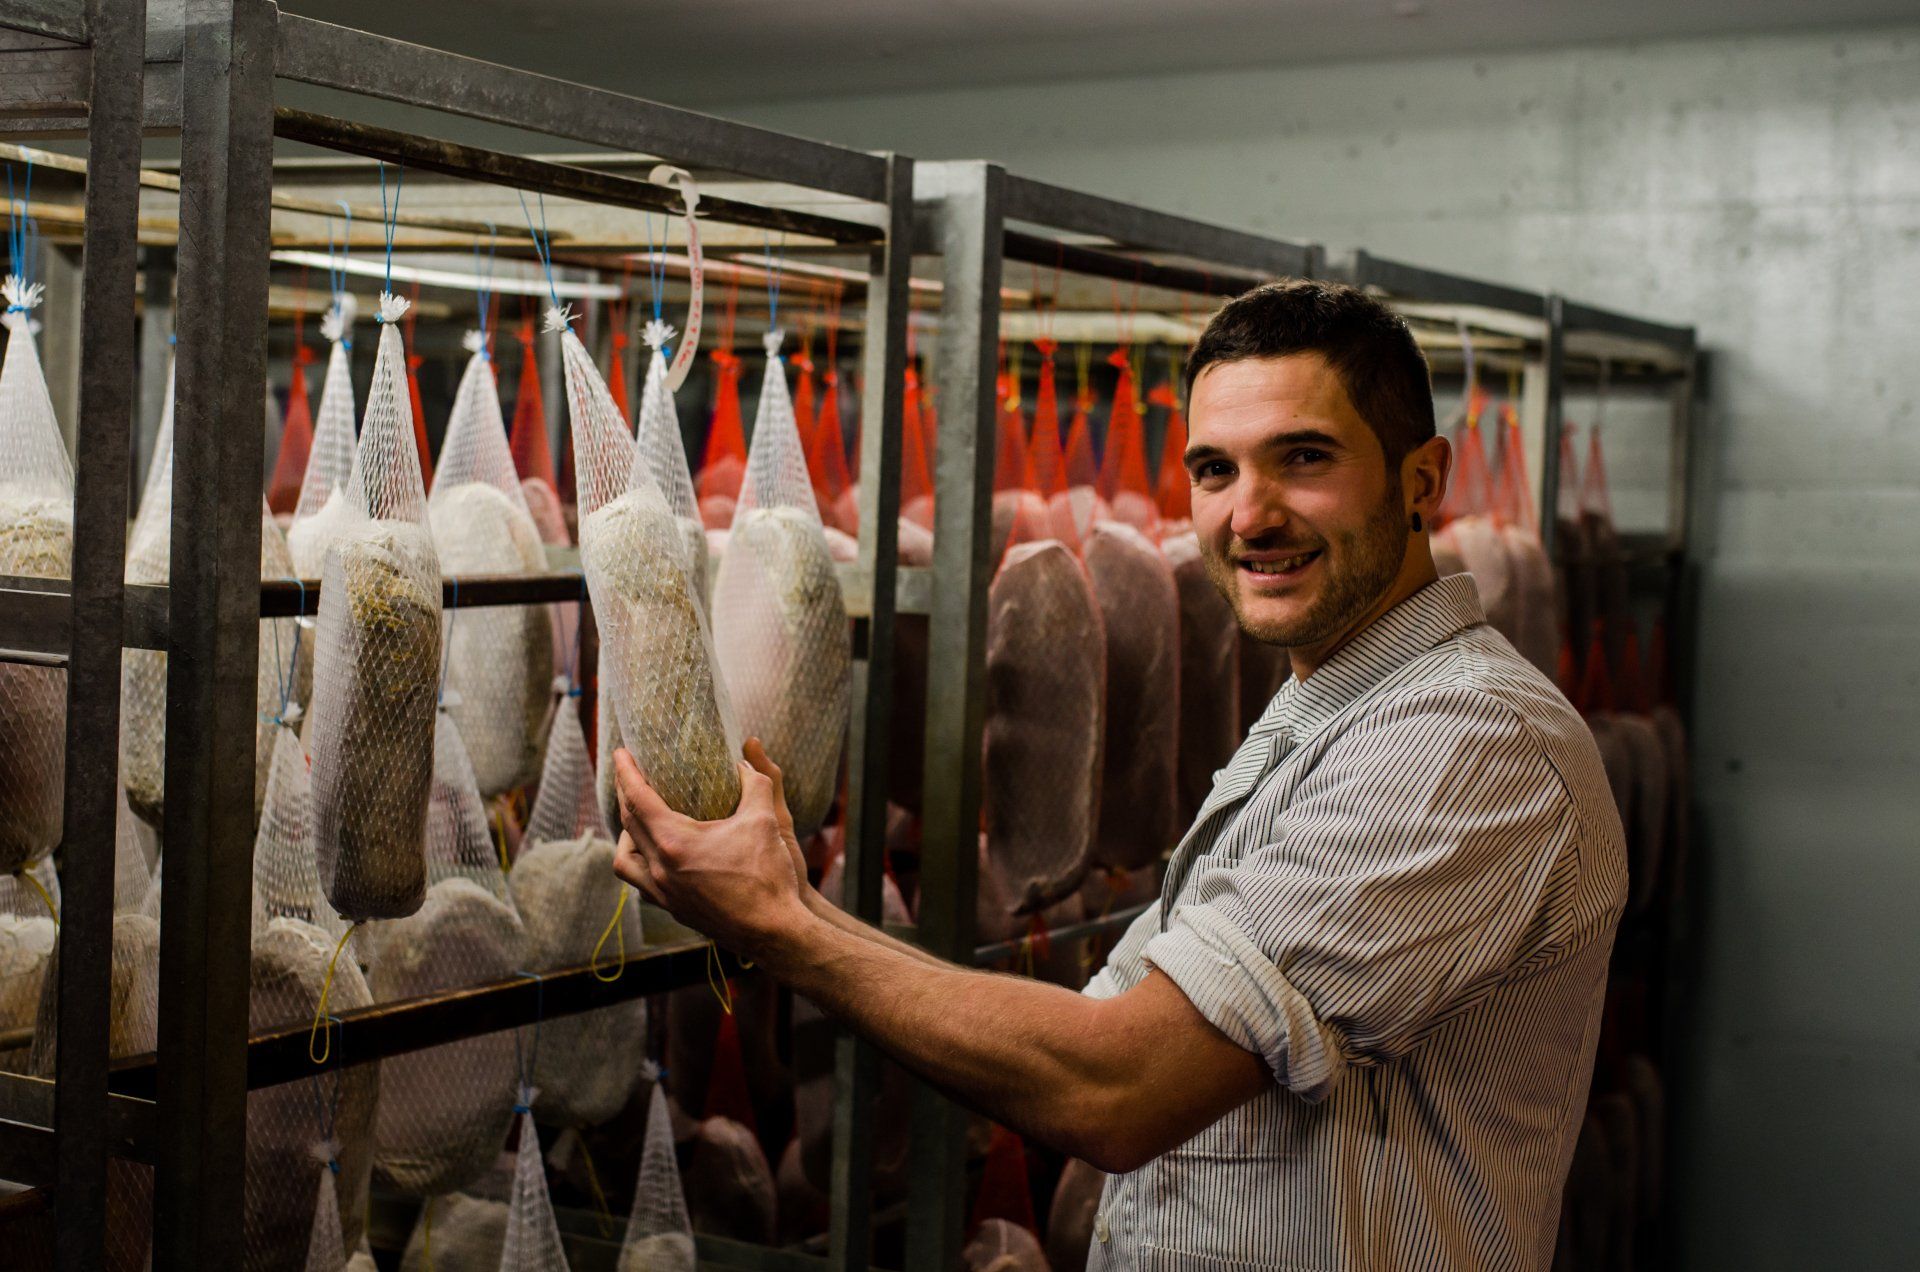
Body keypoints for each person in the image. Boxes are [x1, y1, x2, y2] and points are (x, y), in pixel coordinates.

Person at [610, 280, 1627, 1271]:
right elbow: (1104, 1024)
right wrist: (780, 898)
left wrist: (779, 926)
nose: (1250, 515)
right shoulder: (1332, 717)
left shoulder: (1461, 744)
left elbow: (1117, 1085)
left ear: (1421, 479)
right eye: (1216, 470)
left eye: (1304, 458)